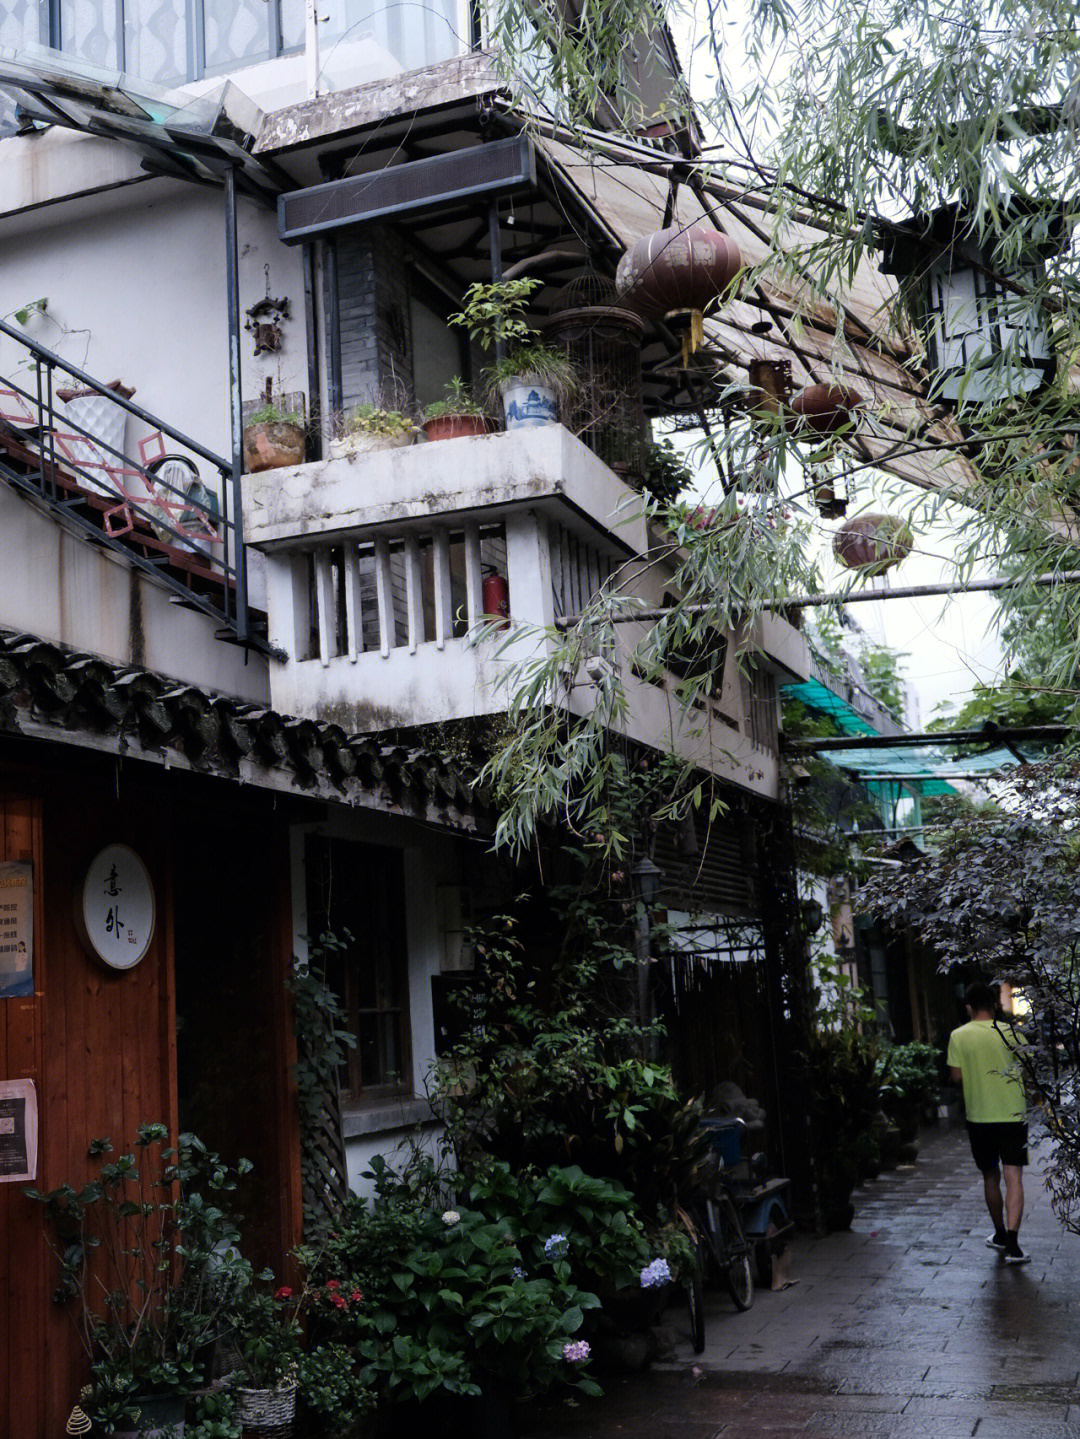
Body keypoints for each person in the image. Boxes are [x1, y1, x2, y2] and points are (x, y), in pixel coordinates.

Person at [947, 980, 1030, 1265]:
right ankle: (1015, 1245)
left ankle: (999, 1235)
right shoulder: (1013, 1034)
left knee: (990, 1176)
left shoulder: (959, 1036)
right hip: (1013, 1114)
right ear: (995, 1005)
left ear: (968, 1007)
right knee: (1014, 1176)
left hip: (980, 1116)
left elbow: (956, 1077)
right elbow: (1027, 1071)